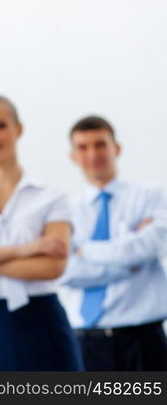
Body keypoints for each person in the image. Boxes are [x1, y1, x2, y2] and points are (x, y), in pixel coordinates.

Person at [0, 95, 83, 370]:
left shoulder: (51, 198)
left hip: (42, 322)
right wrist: (27, 249)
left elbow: (52, 266)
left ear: (18, 129)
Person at [60, 115, 167, 371]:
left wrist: (83, 250)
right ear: (73, 156)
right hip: (87, 343)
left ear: (115, 148)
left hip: (144, 341)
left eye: (100, 144)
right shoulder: (64, 211)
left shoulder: (152, 196)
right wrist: (129, 259)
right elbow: (65, 270)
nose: (93, 154)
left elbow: (151, 246)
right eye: (83, 147)